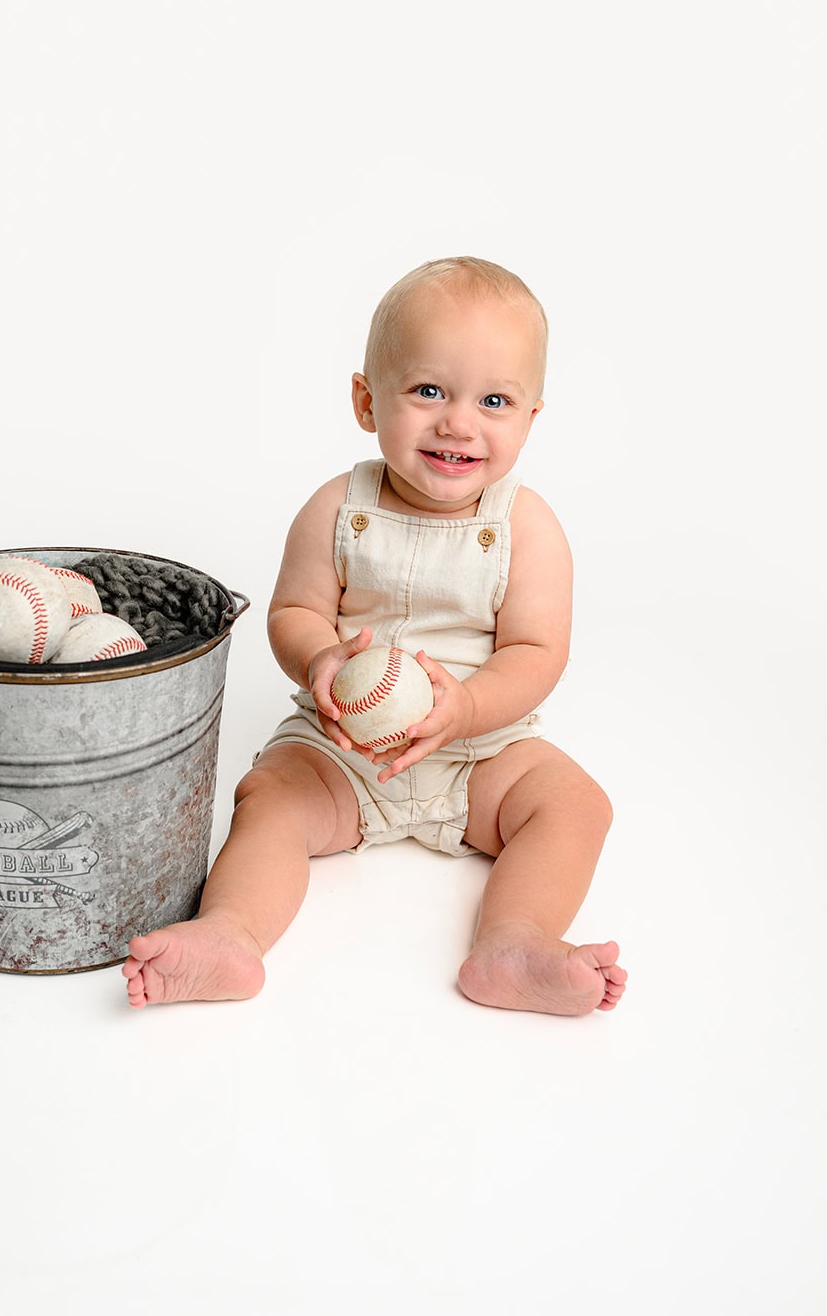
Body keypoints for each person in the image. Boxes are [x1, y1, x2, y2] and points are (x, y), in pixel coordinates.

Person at [122, 256, 625, 1017]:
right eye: (428, 391)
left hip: (479, 749)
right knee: (270, 801)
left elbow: (535, 651)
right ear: (365, 400)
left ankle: (513, 942)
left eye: (494, 400)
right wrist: (319, 656)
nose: (458, 421)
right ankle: (228, 935)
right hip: (342, 750)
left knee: (575, 805)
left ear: (529, 419)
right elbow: (293, 613)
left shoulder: (527, 526)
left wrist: (468, 709)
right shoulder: (334, 507)